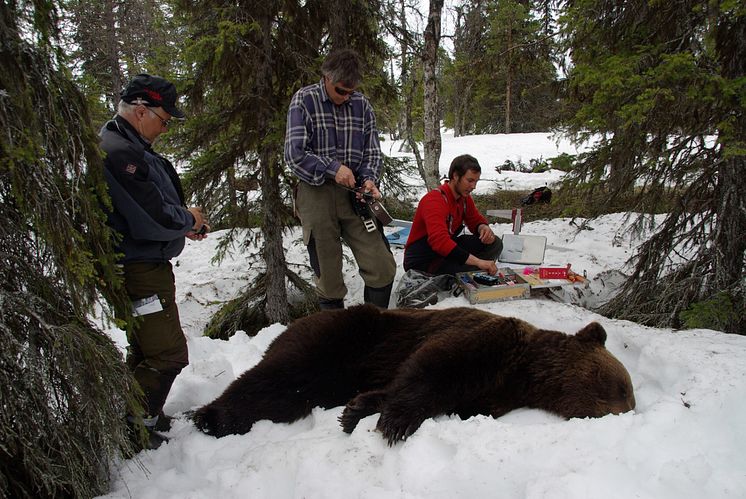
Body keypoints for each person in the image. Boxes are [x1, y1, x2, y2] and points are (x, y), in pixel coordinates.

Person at [99, 73, 209, 450]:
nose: (165, 128)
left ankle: (136, 417)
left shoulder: (130, 147)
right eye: (164, 120)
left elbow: (154, 208)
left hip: (145, 264)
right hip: (138, 270)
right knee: (168, 354)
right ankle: (136, 429)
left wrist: (183, 227)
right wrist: (186, 220)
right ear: (141, 111)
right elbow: (151, 216)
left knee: (146, 349)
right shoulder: (120, 154)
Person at [284, 49, 396, 310]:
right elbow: (294, 155)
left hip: (355, 194)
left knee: (381, 265)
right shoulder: (304, 101)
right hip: (316, 193)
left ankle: (372, 330)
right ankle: (336, 339)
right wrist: (332, 168)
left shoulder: (361, 105)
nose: (346, 96)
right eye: (340, 90)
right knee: (329, 276)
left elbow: (372, 152)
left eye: (350, 91)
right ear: (326, 78)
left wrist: (368, 179)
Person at [403, 154, 502, 275]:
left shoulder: (464, 198)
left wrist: (483, 227)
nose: (473, 186)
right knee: (468, 270)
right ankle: (468, 271)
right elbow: (439, 242)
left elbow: (474, 219)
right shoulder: (434, 201)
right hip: (424, 261)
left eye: (476, 181)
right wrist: (477, 262)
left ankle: (470, 269)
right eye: (470, 180)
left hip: (445, 251)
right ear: (455, 176)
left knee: (495, 243)